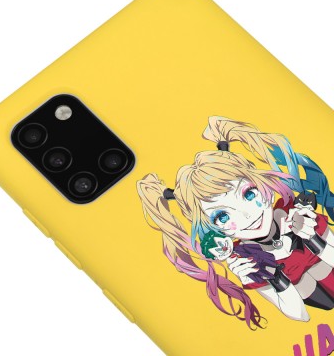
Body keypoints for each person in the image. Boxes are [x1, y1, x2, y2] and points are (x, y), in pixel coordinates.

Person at [137, 116, 334, 329]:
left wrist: (312, 238)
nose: (247, 215)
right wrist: (271, 278)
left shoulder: (296, 213)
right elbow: (300, 315)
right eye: (222, 216)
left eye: (248, 194)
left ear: (265, 186)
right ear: (212, 229)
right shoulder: (246, 259)